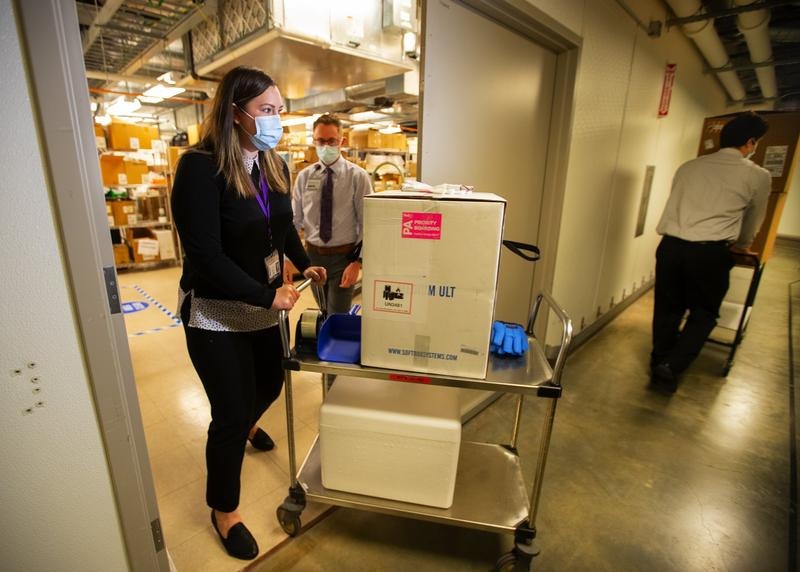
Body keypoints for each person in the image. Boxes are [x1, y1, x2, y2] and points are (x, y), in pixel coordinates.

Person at [171, 66, 326, 560]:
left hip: (261, 304)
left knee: (271, 384)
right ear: (235, 113)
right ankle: (224, 510)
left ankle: (248, 425)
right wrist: (267, 297)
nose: (275, 120)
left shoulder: (269, 163)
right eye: (265, 110)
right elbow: (206, 257)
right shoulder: (200, 168)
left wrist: (304, 264)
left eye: (279, 111)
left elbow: (281, 227)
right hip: (215, 311)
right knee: (230, 412)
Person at [650, 111, 770, 392]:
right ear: (750, 142)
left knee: (668, 308)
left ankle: (659, 358)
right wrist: (742, 245)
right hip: (709, 254)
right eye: (756, 143)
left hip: (670, 247)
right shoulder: (757, 176)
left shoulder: (689, 166)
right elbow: (753, 220)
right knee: (704, 313)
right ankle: (670, 366)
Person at [290, 114, 372, 314]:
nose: (325, 146)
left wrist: (357, 263)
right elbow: (294, 220)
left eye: (331, 141)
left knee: (337, 315)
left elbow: (368, 224)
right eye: (321, 141)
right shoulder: (304, 177)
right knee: (323, 311)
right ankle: (326, 343)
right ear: (314, 141)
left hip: (343, 259)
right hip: (312, 257)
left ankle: (334, 344)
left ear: (342, 141)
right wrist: (287, 258)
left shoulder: (358, 177)